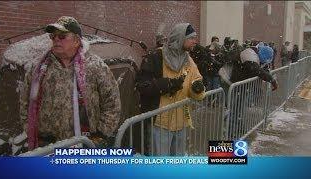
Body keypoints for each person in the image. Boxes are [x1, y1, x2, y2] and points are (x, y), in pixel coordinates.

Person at [20, 16, 121, 150]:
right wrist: (30, 129)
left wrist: (101, 134)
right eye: (53, 36)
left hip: (85, 145)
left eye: (62, 36)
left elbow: (112, 103)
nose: (56, 39)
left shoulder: (95, 67)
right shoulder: (38, 68)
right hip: (46, 147)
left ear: (77, 41)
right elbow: (25, 102)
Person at [136, 23, 205, 156]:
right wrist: (168, 84)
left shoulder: (188, 60)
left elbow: (197, 81)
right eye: (191, 38)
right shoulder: (156, 57)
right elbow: (142, 86)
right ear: (180, 39)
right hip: (160, 124)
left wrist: (197, 89)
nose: (195, 41)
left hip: (181, 123)